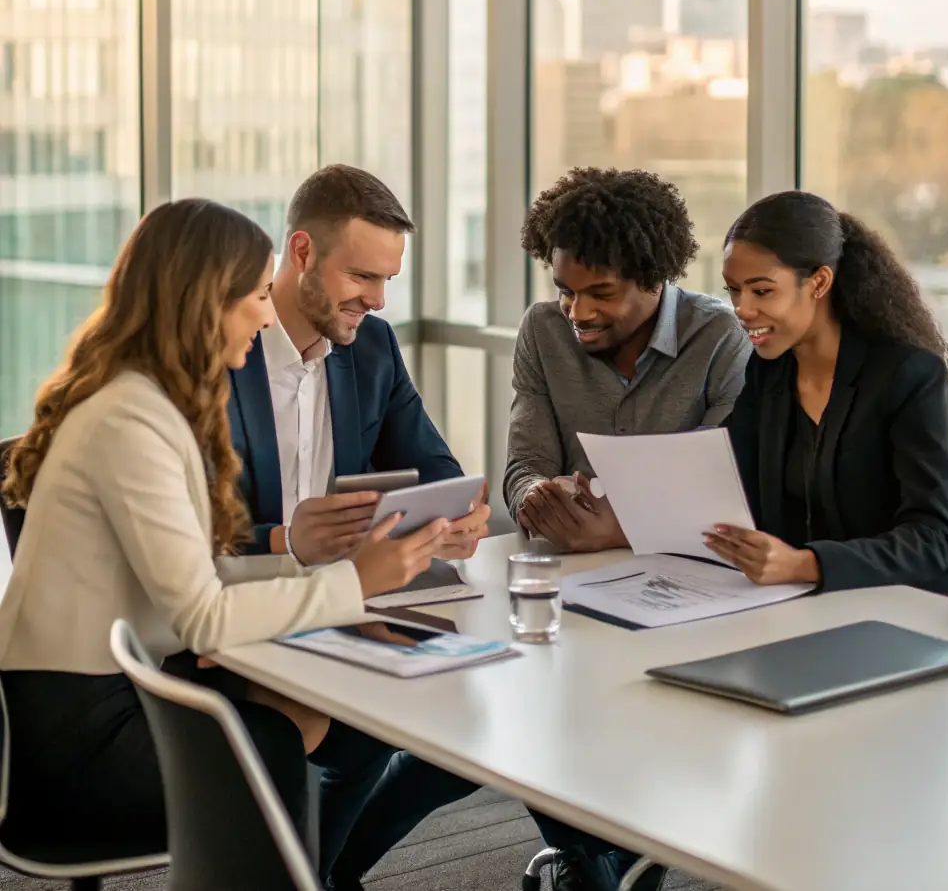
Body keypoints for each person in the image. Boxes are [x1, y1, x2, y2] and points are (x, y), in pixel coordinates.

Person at [0, 199, 448, 857]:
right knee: (282, 737)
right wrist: (353, 583)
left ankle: (313, 875)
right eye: (259, 295)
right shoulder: (131, 421)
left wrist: (316, 567)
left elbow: (197, 579)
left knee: (322, 712)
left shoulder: (143, 401)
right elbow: (205, 618)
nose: (270, 314)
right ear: (204, 299)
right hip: (78, 742)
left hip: (122, 685)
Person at [226, 164, 490, 889]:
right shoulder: (221, 353)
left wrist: (460, 515)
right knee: (362, 715)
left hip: (352, 606)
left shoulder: (371, 348)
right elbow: (187, 538)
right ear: (303, 252)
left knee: (462, 715)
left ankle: (321, 870)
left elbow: (435, 465)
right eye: (363, 277)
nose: (376, 301)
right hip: (247, 613)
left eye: (388, 281)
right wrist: (285, 539)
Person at [706, 189, 948, 611]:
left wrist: (805, 564)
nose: (741, 309)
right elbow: (725, 480)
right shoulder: (770, 371)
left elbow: (934, 539)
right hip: (832, 607)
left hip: (942, 608)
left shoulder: (908, 375)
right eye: (734, 291)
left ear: (819, 282)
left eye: (761, 292)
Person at [504, 166, 750, 554]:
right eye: (567, 291)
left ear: (654, 281)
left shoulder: (718, 336)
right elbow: (527, 462)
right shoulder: (541, 330)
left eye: (601, 294)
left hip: (686, 566)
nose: (578, 312)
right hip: (569, 565)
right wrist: (538, 501)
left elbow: (724, 488)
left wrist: (618, 531)